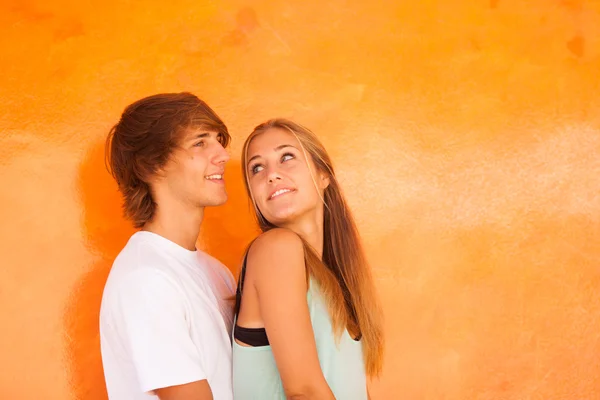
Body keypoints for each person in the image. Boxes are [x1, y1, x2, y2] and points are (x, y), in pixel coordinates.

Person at [233, 118, 385, 399]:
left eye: (286, 157)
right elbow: (304, 391)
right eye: (257, 167)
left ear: (323, 175)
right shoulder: (276, 249)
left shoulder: (339, 278)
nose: (271, 175)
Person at [99, 92, 236, 400]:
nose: (223, 154)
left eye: (218, 139)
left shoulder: (218, 273)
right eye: (200, 143)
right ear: (151, 167)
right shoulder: (146, 279)